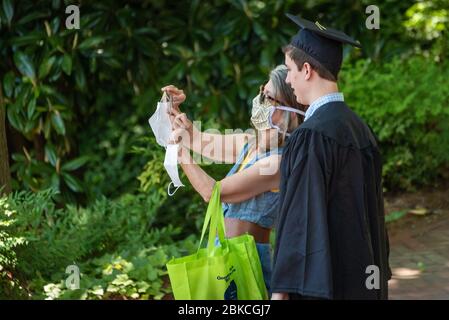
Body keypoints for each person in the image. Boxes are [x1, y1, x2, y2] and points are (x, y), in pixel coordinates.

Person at [270, 14, 391, 300]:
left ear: (307, 70)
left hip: (323, 286)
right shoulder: (360, 130)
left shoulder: (311, 136)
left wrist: (280, 292)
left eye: (290, 70)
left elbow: (300, 220)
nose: (288, 79)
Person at [161, 65, 305, 293]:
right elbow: (195, 140)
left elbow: (212, 192)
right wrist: (172, 109)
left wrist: (179, 154)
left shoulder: (277, 163)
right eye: (261, 93)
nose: (259, 101)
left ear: (288, 109)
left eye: (268, 97)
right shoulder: (250, 144)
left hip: (246, 261)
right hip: (224, 254)